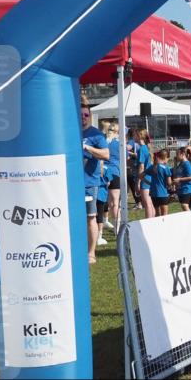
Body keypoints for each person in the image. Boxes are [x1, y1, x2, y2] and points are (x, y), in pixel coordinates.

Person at [80, 100, 109, 263]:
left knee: (91, 217)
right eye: (80, 115)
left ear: (90, 117)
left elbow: (105, 154)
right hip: (71, 184)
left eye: (86, 115)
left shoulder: (95, 134)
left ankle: (91, 253)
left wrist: (88, 148)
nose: (83, 117)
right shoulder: (71, 131)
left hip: (89, 184)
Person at [104, 124, 121, 233]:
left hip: (104, 172)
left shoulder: (104, 142)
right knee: (115, 203)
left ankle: (111, 224)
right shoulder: (119, 144)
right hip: (114, 172)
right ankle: (117, 227)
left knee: (109, 203)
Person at [136, 129, 154, 218]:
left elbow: (141, 166)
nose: (134, 137)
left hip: (144, 178)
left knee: (147, 203)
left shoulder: (141, 149)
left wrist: (138, 182)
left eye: (135, 135)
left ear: (139, 136)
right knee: (150, 203)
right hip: (149, 177)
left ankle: (149, 223)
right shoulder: (147, 147)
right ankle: (154, 222)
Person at [173, 147, 191, 211]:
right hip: (181, 189)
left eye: (177, 154)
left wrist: (180, 179)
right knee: (188, 207)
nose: (176, 156)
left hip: (187, 188)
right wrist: (175, 163)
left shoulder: (186, 164)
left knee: (185, 205)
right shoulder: (180, 164)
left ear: (182, 154)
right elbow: (175, 173)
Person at [150, 149, 173, 216]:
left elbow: (141, 176)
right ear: (166, 157)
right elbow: (169, 183)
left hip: (154, 194)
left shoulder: (153, 167)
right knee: (164, 215)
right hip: (163, 194)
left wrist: (149, 183)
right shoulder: (166, 168)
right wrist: (174, 183)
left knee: (157, 214)